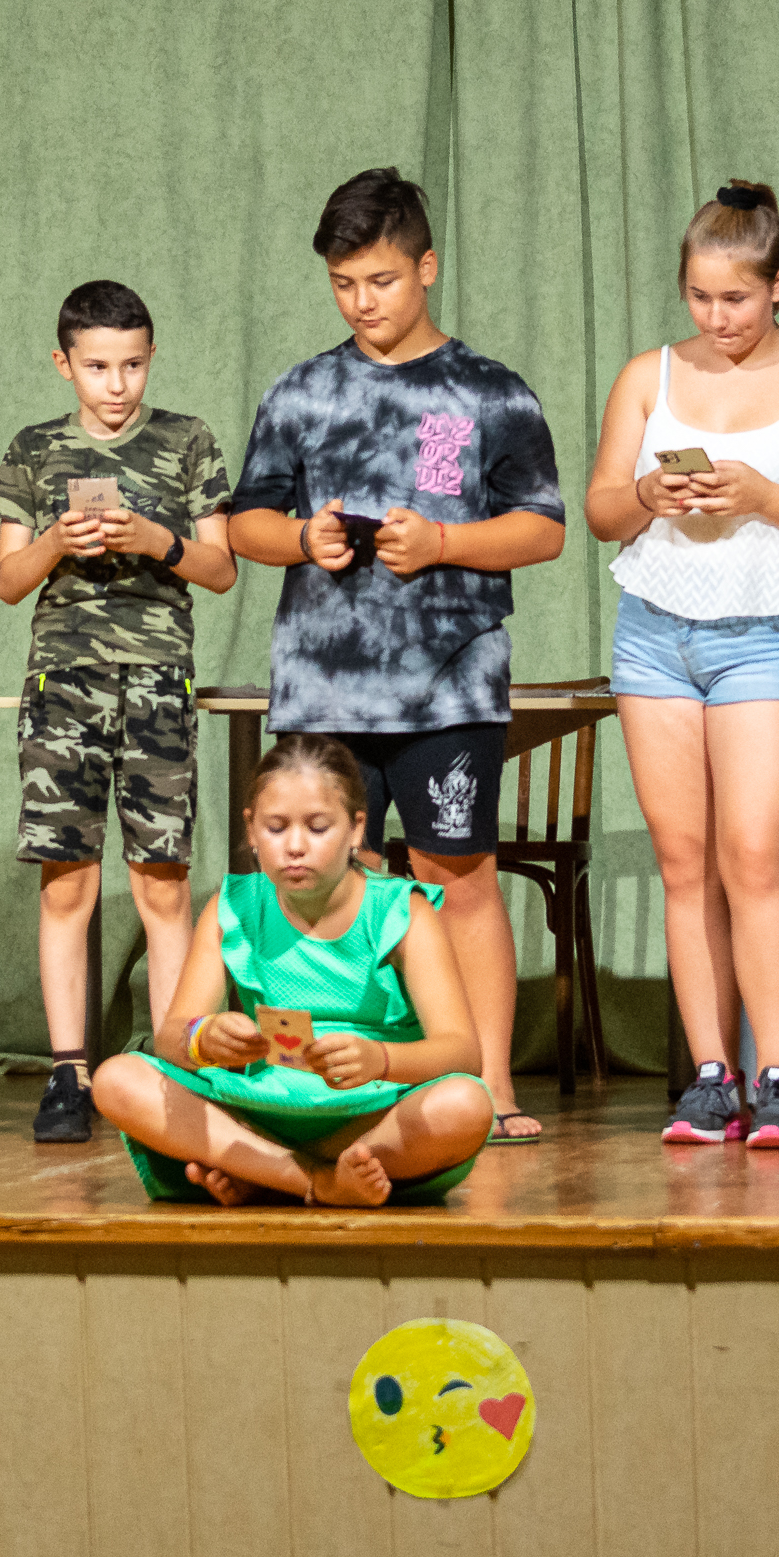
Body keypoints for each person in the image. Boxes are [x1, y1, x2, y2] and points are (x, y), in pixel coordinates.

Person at [228, 168, 566, 1143]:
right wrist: (305, 538)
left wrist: (446, 542)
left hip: (449, 684)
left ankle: (490, 1085)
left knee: (459, 877)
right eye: (343, 284)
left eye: (379, 279)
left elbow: (543, 528)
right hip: (323, 685)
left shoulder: (490, 391)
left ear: (427, 267)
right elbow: (245, 520)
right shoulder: (301, 389)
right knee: (334, 884)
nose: (361, 302)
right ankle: (329, 1084)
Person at [583, 182, 779, 1149]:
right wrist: (649, 493)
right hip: (655, 632)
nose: (717, 318)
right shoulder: (648, 378)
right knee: (685, 863)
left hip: (771, 632)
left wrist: (764, 496)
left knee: (754, 856)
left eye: (737, 298)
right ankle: (712, 1075)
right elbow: (601, 512)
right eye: (700, 297)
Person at [0, 281, 236, 1143]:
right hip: (63, 683)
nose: (117, 384)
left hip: (160, 682)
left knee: (163, 881)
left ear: (151, 356)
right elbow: (7, 581)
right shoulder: (34, 449)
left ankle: (172, 1070)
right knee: (68, 882)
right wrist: (57, 541)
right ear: (65, 365)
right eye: (97, 367)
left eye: (131, 365)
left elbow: (221, 568)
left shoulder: (188, 439)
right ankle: (68, 1072)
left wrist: (157, 541)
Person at [91, 733, 494, 1204]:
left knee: (465, 1106)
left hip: (370, 1113)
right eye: (276, 828)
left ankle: (261, 1170)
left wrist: (381, 1060)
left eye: (318, 828)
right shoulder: (234, 907)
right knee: (117, 1080)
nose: (295, 846)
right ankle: (314, 1181)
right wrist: (205, 1038)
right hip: (259, 1108)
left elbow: (463, 1053)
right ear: (251, 830)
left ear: (356, 829)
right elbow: (170, 1037)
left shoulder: (402, 912)